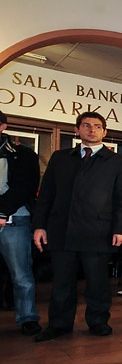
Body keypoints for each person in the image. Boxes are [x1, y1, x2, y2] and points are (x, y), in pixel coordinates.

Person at [32, 111, 122, 341]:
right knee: (62, 282)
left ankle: (98, 322)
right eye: (86, 125)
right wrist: (39, 226)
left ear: (104, 132)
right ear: (77, 130)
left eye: (97, 126)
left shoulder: (117, 161)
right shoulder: (60, 157)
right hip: (61, 230)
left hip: (98, 231)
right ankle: (58, 325)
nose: (92, 130)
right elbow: (46, 195)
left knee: (97, 282)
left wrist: (121, 228)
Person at [0, 111, 41, 335]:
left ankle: (27, 317)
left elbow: (25, 186)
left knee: (21, 274)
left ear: (2, 126)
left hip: (15, 220)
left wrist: (2, 210)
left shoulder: (23, 154)